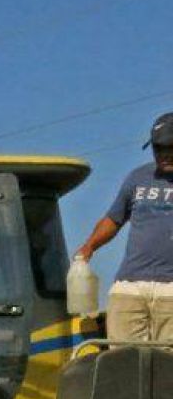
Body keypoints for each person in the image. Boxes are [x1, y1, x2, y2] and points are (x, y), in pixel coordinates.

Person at [73, 112, 173, 341]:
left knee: (167, 364)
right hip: (130, 285)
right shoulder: (138, 177)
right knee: (123, 358)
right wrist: (89, 247)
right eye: (158, 148)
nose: (164, 155)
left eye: (170, 147)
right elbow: (114, 219)